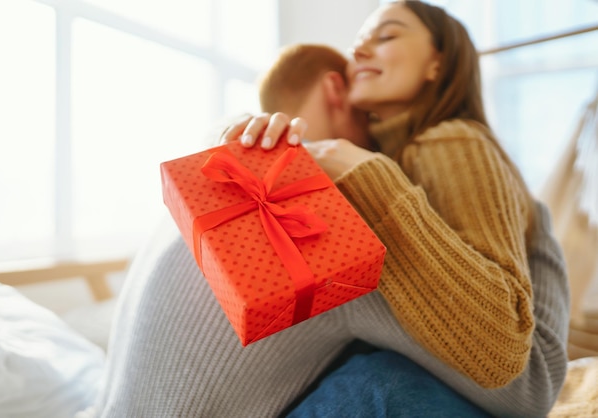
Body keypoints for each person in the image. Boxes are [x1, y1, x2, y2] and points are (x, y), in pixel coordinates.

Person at [89, 3, 569, 418]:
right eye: (372, 129)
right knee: (386, 380)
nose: (377, 145)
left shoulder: (206, 184)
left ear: (438, 63)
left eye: (386, 36)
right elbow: (523, 389)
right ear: (336, 90)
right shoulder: (327, 226)